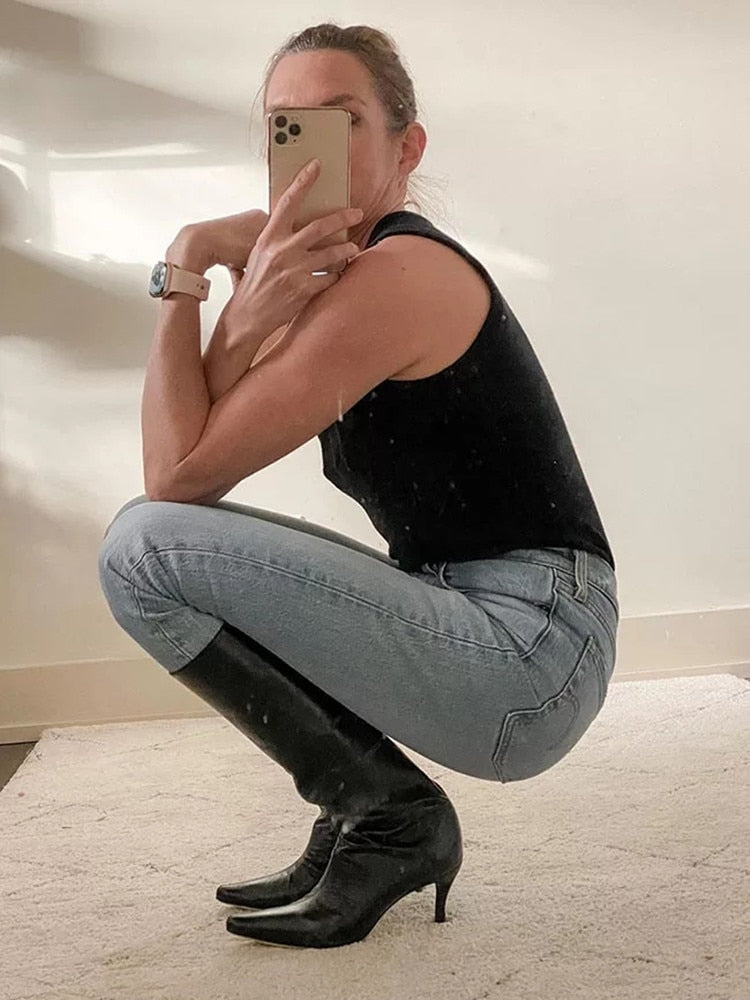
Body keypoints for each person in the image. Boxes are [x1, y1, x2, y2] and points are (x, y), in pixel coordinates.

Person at [98, 23, 619, 950]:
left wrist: (187, 272)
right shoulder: (328, 277)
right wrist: (232, 302)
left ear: (405, 147)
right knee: (157, 542)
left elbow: (174, 478)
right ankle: (363, 809)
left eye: (340, 122)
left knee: (143, 549)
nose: (309, 152)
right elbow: (185, 460)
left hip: (533, 653)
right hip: (480, 619)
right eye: (286, 127)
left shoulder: (398, 275)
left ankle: (387, 815)